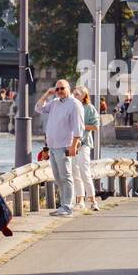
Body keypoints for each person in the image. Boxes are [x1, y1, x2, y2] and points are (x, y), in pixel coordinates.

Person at [35, 79, 83, 216]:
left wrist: (73, 145)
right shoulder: (55, 103)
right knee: (58, 177)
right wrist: (47, 94)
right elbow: (38, 108)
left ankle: (67, 206)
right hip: (53, 146)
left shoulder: (75, 104)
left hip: (65, 145)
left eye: (62, 88)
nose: (60, 91)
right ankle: (63, 205)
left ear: (69, 88)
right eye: (57, 89)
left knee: (66, 176)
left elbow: (78, 127)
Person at [72, 85, 100, 211]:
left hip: (84, 143)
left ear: (84, 96)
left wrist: (82, 126)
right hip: (71, 143)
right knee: (75, 173)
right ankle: (80, 200)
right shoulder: (71, 107)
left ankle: (93, 201)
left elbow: (96, 126)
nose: (75, 95)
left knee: (84, 171)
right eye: (74, 93)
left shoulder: (89, 108)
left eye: (77, 94)